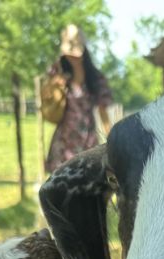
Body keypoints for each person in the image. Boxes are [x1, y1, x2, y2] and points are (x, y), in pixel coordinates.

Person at [45, 24, 113, 173]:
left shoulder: (96, 79)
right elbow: (45, 97)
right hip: (63, 142)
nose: (72, 57)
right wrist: (54, 84)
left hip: (87, 140)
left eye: (75, 54)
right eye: (69, 54)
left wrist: (112, 141)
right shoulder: (59, 71)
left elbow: (103, 112)